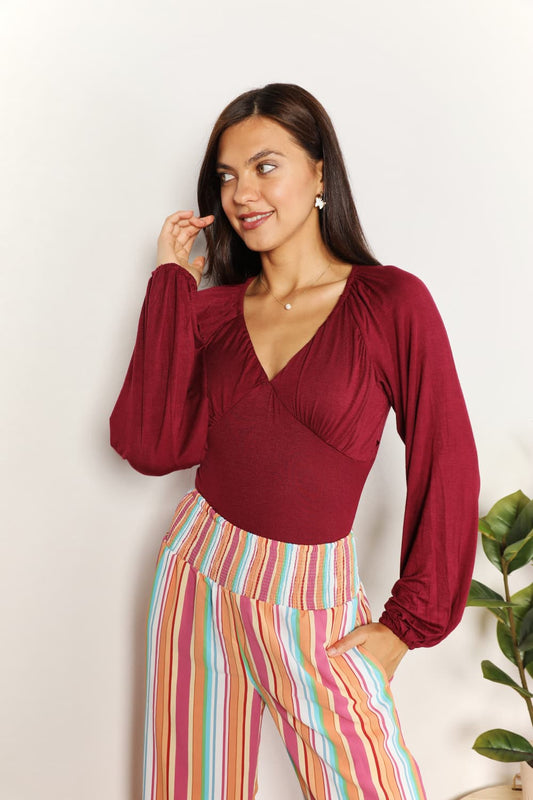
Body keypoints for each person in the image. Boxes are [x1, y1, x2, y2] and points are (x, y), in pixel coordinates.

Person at [110, 83, 480, 800]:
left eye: (265, 166)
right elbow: (151, 446)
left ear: (319, 172)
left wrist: (406, 626)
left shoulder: (390, 303)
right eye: (226, 176)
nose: (242, 193)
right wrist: (170, 284)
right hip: (196, 573)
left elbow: (447, 460)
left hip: (313, 600)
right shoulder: (213, 314)